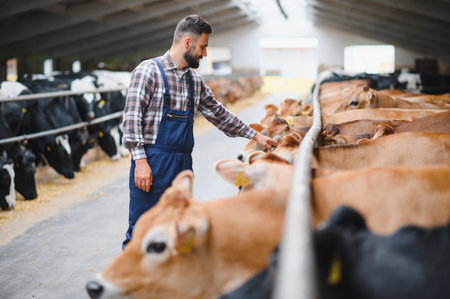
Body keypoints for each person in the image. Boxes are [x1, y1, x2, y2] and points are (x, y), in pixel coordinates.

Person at [121, 15, 278, 248]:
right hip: (153, 163)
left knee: (179, 227)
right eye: (203, 47)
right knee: (142, 230)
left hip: (182, 164)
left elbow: (219, 113)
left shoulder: (194, 81)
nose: (204, 54)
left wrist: (255, 135)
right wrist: (141, 161)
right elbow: (131, 120)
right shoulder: (148, 72)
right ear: (187, 42)